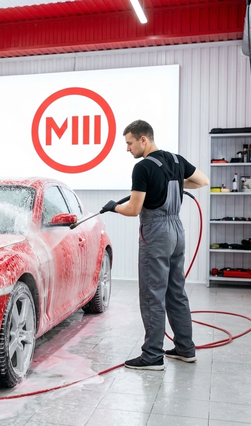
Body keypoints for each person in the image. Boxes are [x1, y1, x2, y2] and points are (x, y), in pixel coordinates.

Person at [101, 120, 209, 370]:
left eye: (129, 143)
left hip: (156, 233)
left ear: (143, 139)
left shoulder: (143, 168)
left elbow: (134, 209)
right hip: (177, 231)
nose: (127, 148)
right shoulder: (177, 160)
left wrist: (114, 207)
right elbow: (202, 180)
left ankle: (152, 355)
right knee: (176, 292)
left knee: (152, 295)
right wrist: (176, 182)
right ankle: (185, 348)